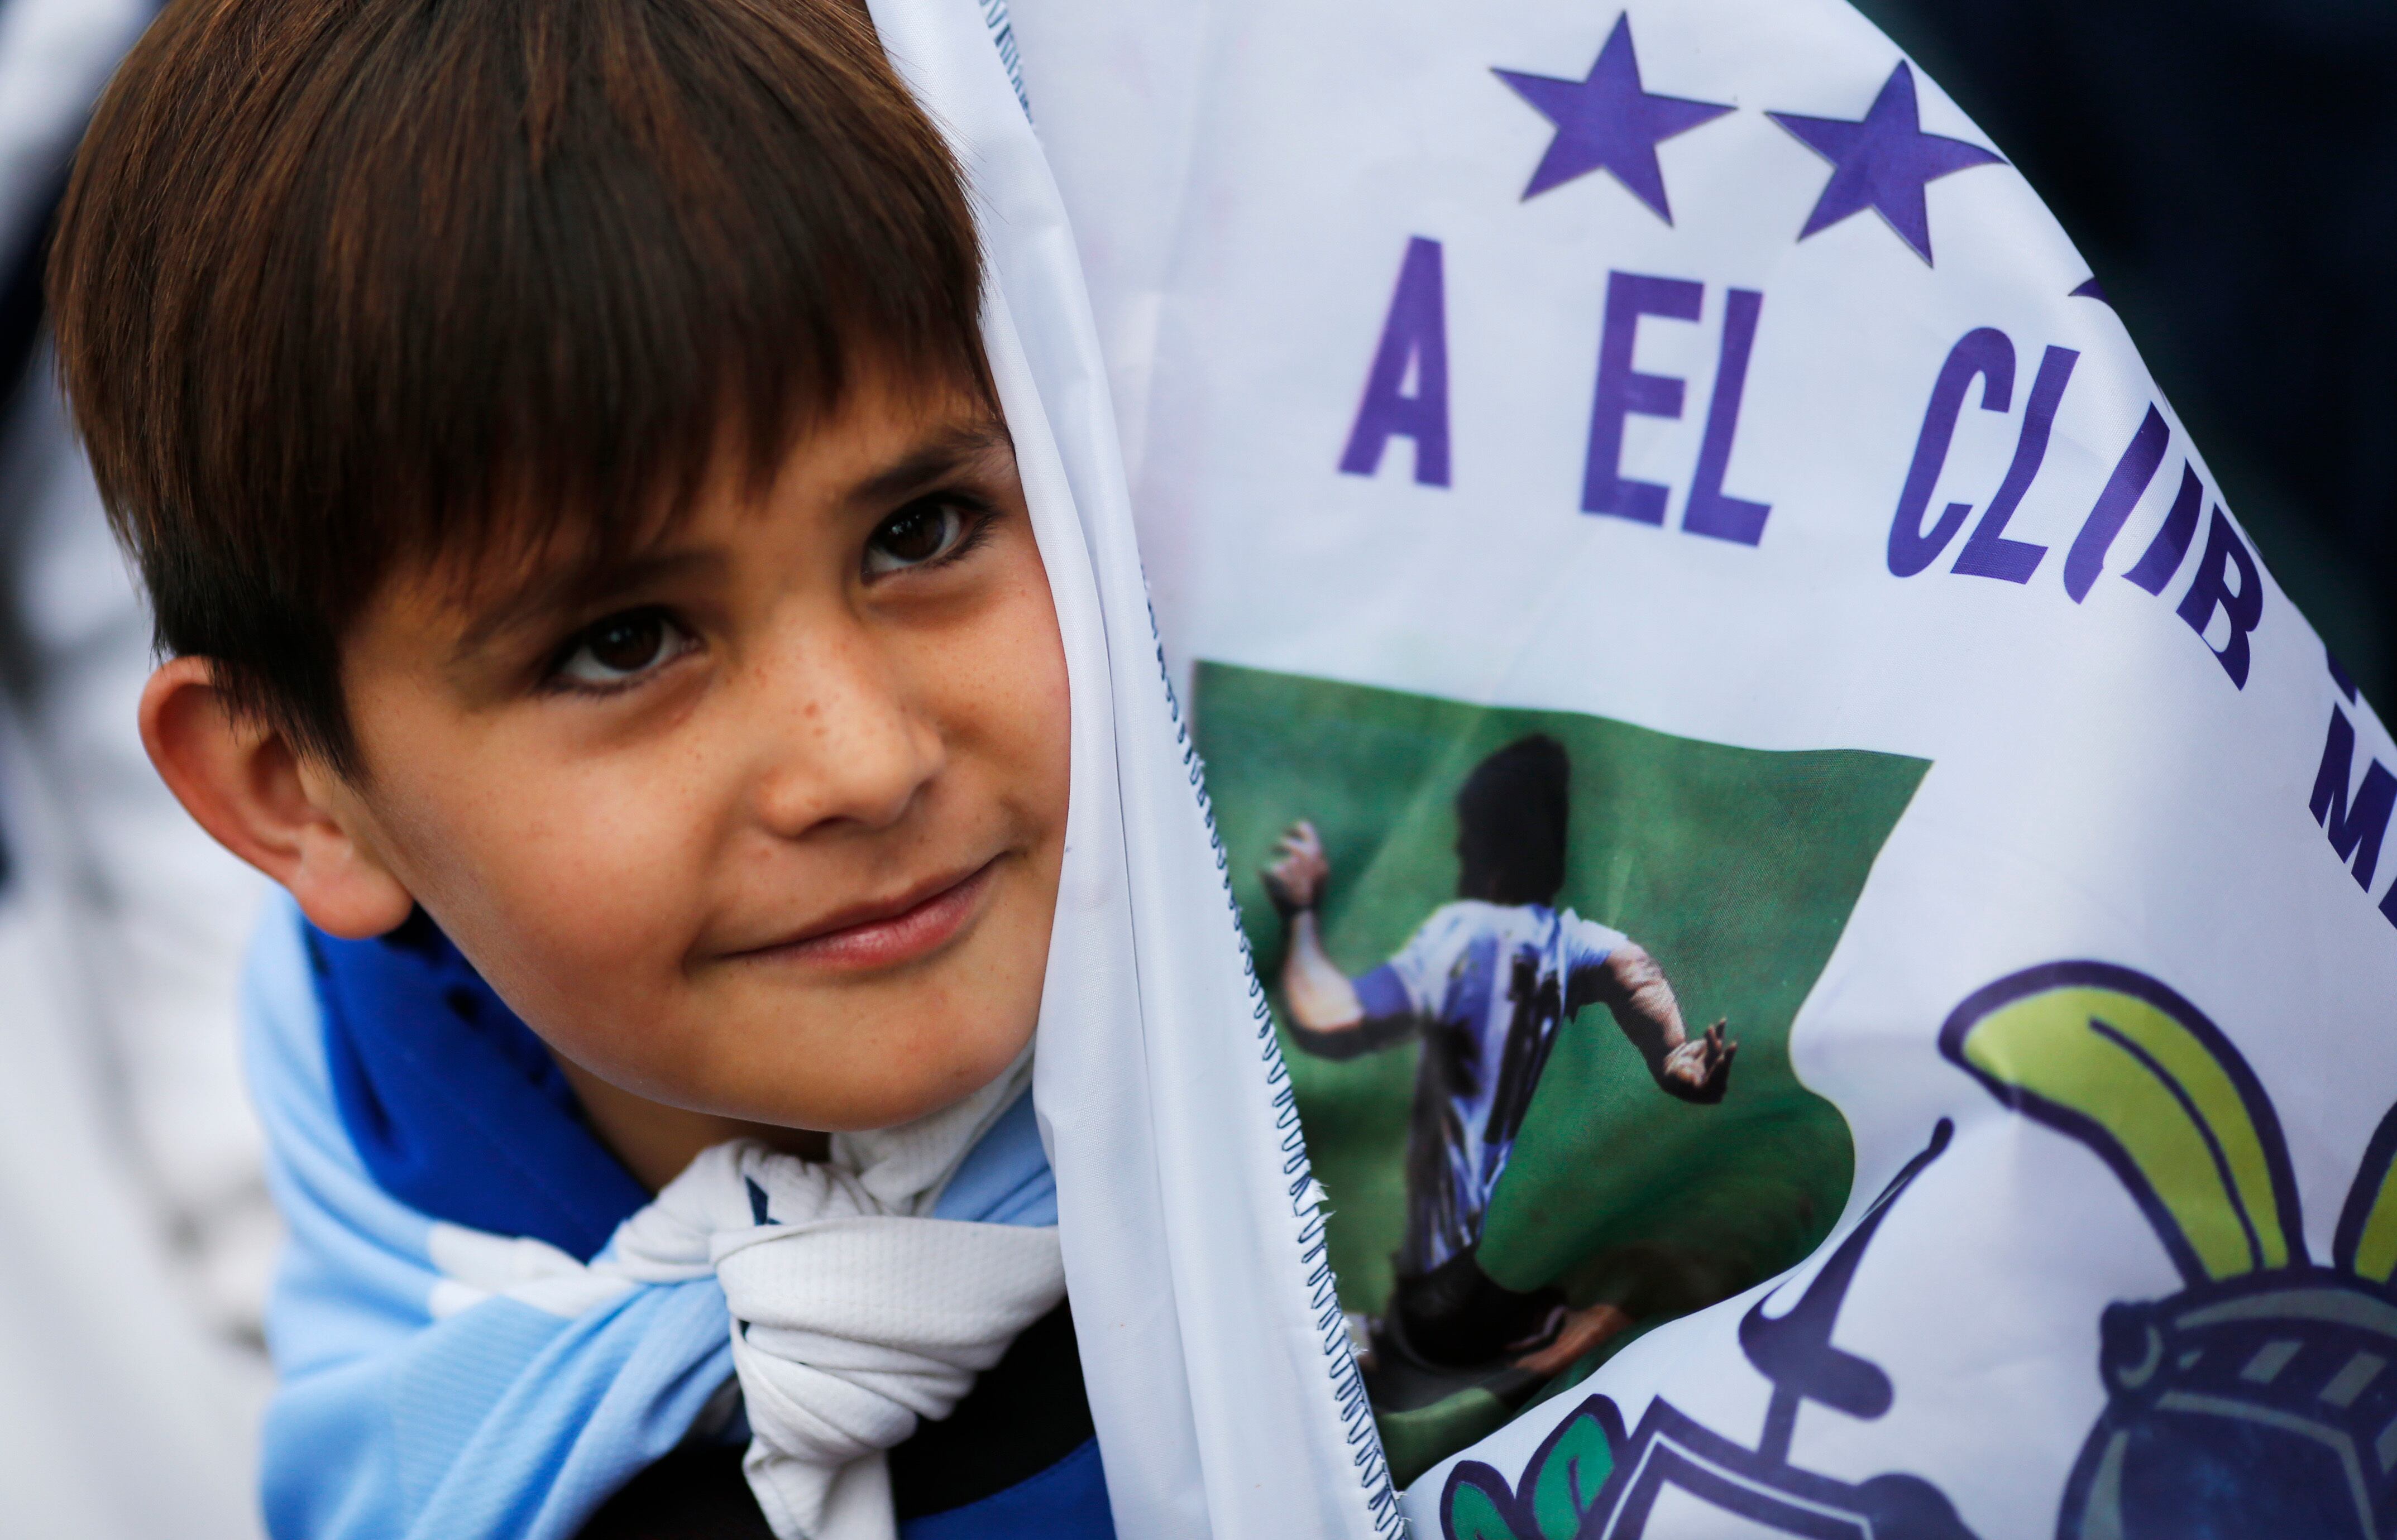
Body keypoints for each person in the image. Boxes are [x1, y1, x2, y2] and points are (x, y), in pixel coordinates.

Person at [45, 1, 1111, 1536]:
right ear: (299, 793)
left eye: (918, 531)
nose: (864, 762)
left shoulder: (1400, 1122)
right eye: (623, 643)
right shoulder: (431, 1425)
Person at [1265, 734, 1734, 1381]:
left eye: (1467, 836)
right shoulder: (1566, 940)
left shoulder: (1468, 936)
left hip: (1439, 1284)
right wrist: (1673, 1052)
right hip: (1470, 1268)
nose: (1459, 851)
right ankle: (1545, 1332)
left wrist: (1301, 911)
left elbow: (1326, 1015)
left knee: (1308, 1349)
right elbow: (1634, 970)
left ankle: (1520, 1343)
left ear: (1491, 846)